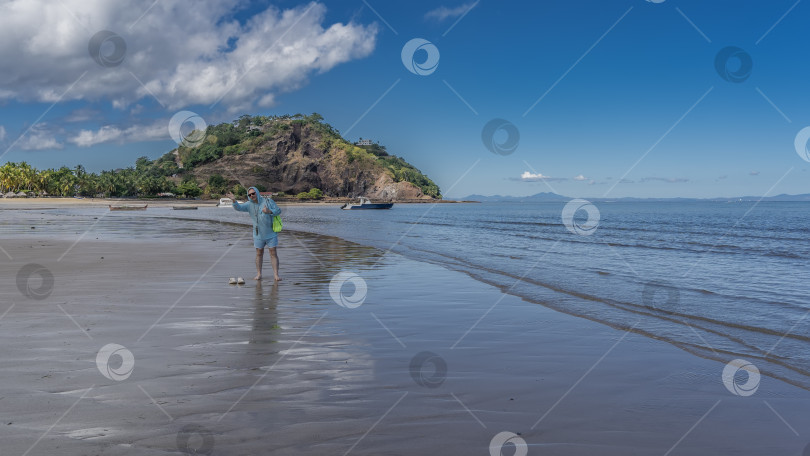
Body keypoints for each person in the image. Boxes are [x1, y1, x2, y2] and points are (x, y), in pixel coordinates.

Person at [233, 186, 282, 281]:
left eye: (253, 193)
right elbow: (238, 208)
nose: (252, 195)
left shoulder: (268, 201)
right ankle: (259, 274)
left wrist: (269, 211)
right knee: (259, 253)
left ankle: (276, 275)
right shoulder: (248, 205)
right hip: (258, 234)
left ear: (257, 192)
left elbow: (279, 211)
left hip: (271, 233)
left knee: (273, 253)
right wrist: (234, 200)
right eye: (249, 194)